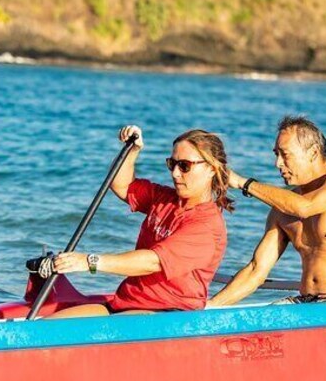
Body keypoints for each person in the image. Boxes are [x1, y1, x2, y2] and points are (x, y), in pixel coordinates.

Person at [44, 125, 231, 317]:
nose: (175, 173)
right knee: (43, 330)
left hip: (165, 314)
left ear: (212, 169)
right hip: (125, 304)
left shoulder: (207, 226)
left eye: (185, 166)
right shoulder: (164, 198)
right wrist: (132, 150)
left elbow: (153, 262)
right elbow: (121, 184)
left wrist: (89, 261)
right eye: (171, 164)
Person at [208, 115, 326, 306]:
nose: (278, 164)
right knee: (265, 319)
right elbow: (255, 271)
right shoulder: (282, 208)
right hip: (308, 301)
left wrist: (243, 183)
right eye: (276, 154)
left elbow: (305, 207)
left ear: (313, 153)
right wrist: (209, 307)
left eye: (285, 155)